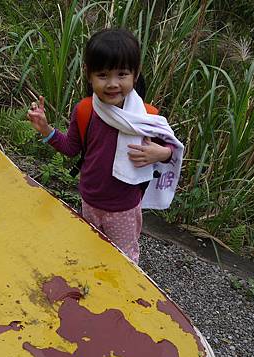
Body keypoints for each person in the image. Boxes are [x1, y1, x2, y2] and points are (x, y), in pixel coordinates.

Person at [27, 28, 181, 264]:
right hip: (90, 199)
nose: (112, 84)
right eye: (102, 75)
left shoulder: (147, 116)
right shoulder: (86, 110)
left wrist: (161, 153)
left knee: (123, 259)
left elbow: (173, 152)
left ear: (135, 74)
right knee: (90, 250)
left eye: (122, 74)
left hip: (124, 207)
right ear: (89, 75)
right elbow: (71, 148)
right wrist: (46, 130)